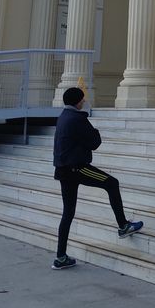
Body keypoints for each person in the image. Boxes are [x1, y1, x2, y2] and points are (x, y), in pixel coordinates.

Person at [51, 86, 143, 270]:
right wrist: (96, 131)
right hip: (76, 168)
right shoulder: (77, 119)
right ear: (78, 102)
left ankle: (60, 257)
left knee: (68, 212)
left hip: (63, 169)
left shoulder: (63, 117)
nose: (84, 102)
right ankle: (123, 225)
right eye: (82, 99)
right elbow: (95, 143)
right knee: (111, 183)